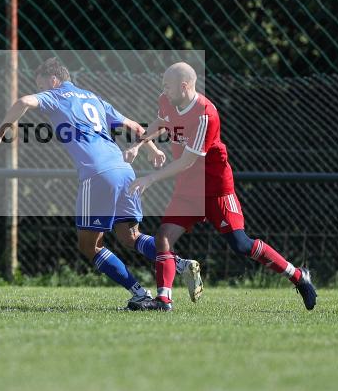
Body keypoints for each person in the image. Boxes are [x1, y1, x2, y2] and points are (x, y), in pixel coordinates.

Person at [0, 58, 202, 308]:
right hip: (124, 170)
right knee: (130, 236)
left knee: (89, 246)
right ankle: (180, 264)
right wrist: (150, 149)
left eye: (41, 85)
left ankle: (139, 293)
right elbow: (133, 126)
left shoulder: (56, 95)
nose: (40, 90)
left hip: (98, 175)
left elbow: (23, 102)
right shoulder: (92, 97)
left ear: (54, 81)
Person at [125, 62, 317, 311]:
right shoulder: (167, 100)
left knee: (241, 244)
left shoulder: (205, 114)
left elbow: (186, 161)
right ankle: (163, 300)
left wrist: (150, 178)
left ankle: (299, 277)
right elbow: (160, 122)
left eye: (168, 85)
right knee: (163, 237)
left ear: (184, 86)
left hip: (215, 188)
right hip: (187, 190)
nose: (164, 90)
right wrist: (139, 144)